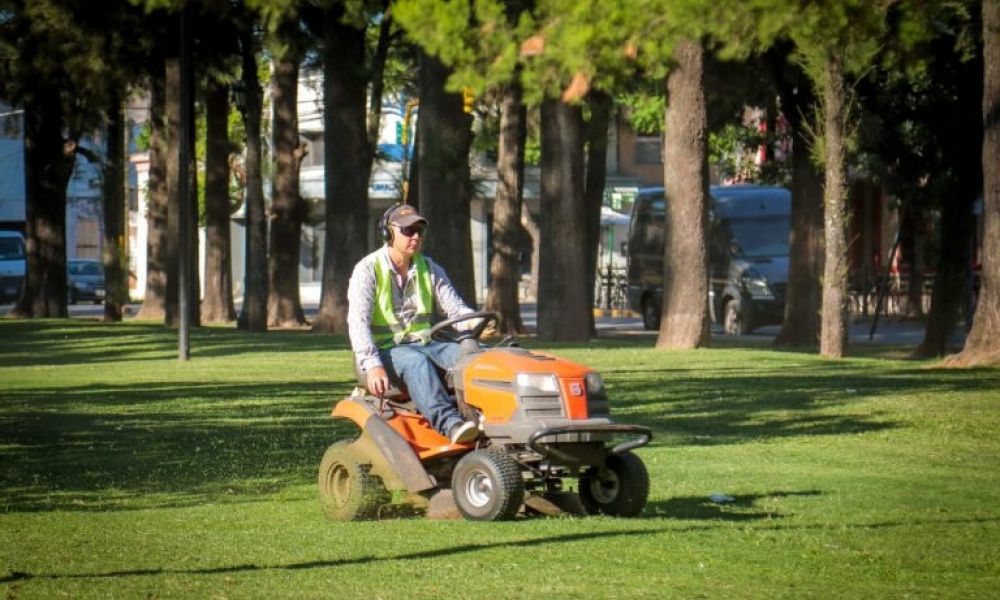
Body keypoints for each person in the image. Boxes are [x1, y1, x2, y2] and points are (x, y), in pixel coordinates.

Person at [347, 203, 480, 444]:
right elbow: (357, 323)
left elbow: (456, 309)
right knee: (416, 362)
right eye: (408, 231)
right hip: (384, 352)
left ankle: (487, 417)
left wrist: (476, 321)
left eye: (419, 231)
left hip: (425, 344)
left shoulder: (429, 268)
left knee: (475, 357)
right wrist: (372, 365)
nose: (416, 236)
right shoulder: (367, 270)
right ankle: (449, 423)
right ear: (388, 233)